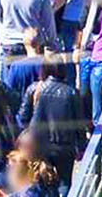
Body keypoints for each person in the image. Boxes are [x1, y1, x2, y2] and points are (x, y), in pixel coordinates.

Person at [22, 60, 86, 192]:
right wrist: (81, 146)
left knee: (46, 179)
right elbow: (79, 122)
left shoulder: (42, 91)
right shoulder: (71, 92)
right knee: (65, 181)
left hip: (44, 146)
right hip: (66, 146)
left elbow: (34, 122)